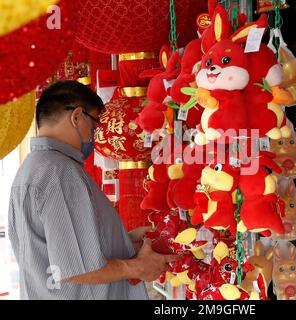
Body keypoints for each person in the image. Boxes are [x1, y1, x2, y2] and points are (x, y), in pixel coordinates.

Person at [8, 80, 179, 300]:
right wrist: (137, 267)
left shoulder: (34, 169)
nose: (93, 136)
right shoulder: (58, 172)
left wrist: (124, 241)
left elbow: (60, 249)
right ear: (77, 117)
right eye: (95, 124)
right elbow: (76, 268)